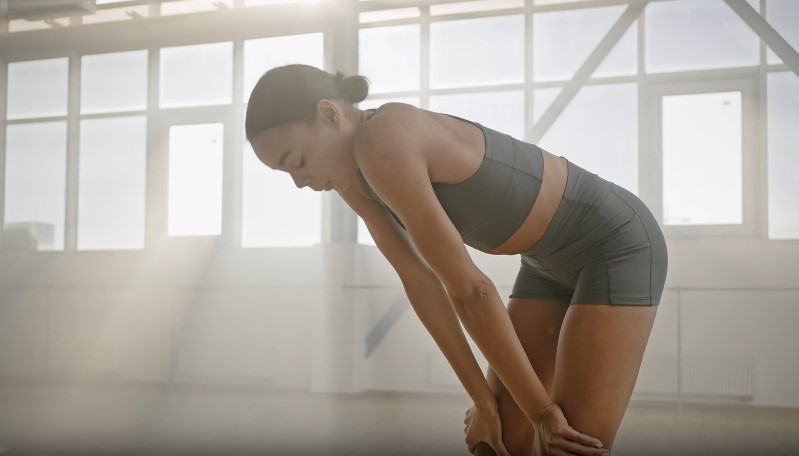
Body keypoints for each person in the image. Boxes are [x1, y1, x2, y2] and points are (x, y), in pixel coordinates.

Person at [245, 64, 667, 456]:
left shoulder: (382, 140)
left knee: (569, 442)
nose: (300, 183)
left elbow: (471, 289)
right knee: (497, 439)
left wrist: (541, 411)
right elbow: (422, 283)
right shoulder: (350, 177)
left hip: (613, 242)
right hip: (543, 264)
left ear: (329, 114)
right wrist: (483, 402)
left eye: (296, 162)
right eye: (287, 175)